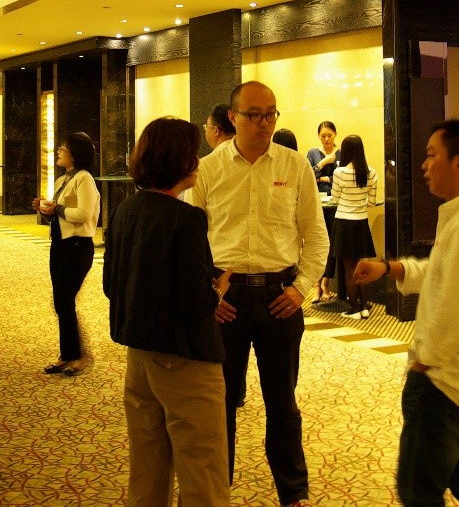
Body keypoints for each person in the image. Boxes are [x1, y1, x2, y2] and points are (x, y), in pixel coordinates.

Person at [353, 117, 459, 507]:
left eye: (432, 155)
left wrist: (424, 364)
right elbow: (447, 274)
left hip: (449, 387)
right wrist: (393, 268)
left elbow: (454, 312)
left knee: (419, 491)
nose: (424, 165)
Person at [191, 82, 329, 507]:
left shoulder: (294, 165)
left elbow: (316, 236)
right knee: (219, 405)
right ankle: (217, 490)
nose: (264, 122)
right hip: (225, 300)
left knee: (282, 403)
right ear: (233, 118)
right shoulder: (208, 169)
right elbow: (192, 240)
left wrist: (301, 289)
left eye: (271, 113)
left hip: (278, 298)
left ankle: (293, 492)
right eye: (254, 114)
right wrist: (208, 295)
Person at [103, 117, 232, 507]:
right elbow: (195, 302)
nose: (198, 160)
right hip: (185, 360)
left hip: (138, 357)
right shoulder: (185, 218)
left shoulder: (125, 210)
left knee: (147, 466)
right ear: (178, 159)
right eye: (192, 152)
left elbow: (111, 285)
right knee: (202, 468)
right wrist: (218, 290)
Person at [33, 132, 100, 376]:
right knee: (61, 301)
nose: (59, 151)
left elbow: (83, 214)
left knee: (64, 300)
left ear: (76, 153)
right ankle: (68, 354)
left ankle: (77, 356)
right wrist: (46, 211)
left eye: (63, 148)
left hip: (78, 247)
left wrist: (57, 208)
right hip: (60, 245)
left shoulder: (85, 179)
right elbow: (60, 214)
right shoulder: (63, 179)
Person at [329, 135, 379, 319]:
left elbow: (335, 198)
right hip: (361, 222)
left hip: (344, 222)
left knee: (349, 269)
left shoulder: (339, 172)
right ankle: (364, 307)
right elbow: (372, 202)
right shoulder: (371, 172)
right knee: (361, 266)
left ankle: (354, 309)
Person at [306, 121, 339, 302]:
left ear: (335, 135)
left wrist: (323, 178)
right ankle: (316, 285)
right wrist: (323, 163)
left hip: (335, 204)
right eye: (323, 136)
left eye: (329, 135)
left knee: (331, 244)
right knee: (316, 242)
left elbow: (342, 177)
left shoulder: (340, 154)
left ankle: (326, 283)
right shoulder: (312, 153)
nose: (326, 139)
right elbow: (307, 175)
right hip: (316, 204)